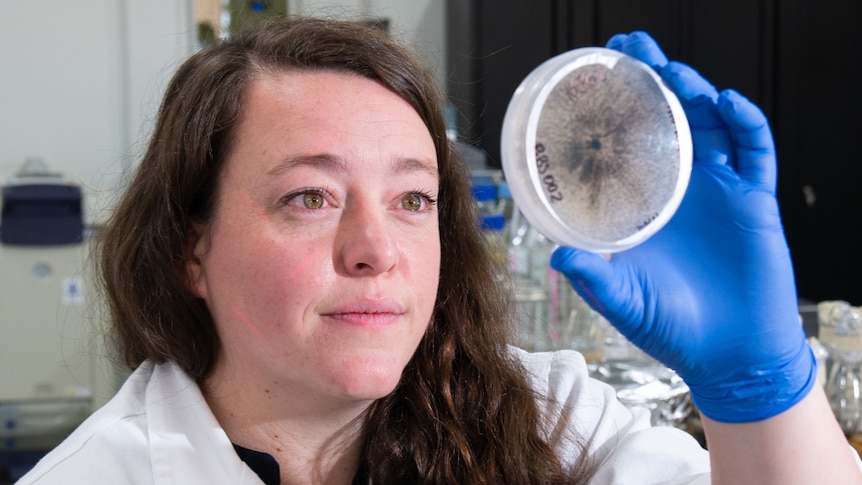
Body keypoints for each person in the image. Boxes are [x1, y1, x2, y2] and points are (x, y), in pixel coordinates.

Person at [17, 16, 862, 485]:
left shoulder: (548, 418)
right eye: (310, 197)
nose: (377, 249)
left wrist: (760, 385)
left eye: (413, 198)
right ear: (187, 250)